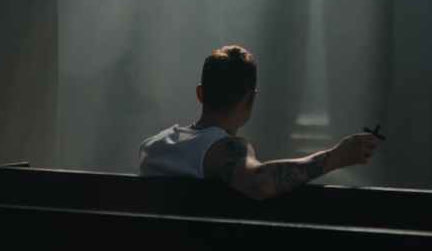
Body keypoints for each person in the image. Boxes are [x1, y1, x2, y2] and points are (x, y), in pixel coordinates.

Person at [138, 45, 381, 200]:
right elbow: (260, 183)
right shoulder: (224, 149)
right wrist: (336, 157)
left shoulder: (151, 147)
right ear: (251, 99)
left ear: (200, 93)